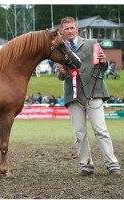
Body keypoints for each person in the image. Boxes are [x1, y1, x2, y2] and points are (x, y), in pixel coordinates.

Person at [57, 16, 122, 176]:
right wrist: (61, 73)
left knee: (101, 130)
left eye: (72, 28)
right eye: (67, 28)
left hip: (94, 91)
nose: (70, 31)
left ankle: (113, 165)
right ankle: (86, 166)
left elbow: (104, 65)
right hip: (73, 96)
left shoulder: (92, 43)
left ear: (77, 29)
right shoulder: (59, 49)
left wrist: (103, 61)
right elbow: (60, 75)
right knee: (79, 133)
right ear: (61, 31)